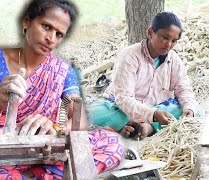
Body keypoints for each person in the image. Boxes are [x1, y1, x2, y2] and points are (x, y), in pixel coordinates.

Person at [0, 0, 123, 179]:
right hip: (5, 146)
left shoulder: (62, 71)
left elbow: (77, 116)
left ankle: (34, 174)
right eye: (46, 27)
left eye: (59, 34)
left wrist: (56, 128)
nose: (51, 38)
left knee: (111, 142)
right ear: (26, 21)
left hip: (43, 147)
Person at [89, 12, 200, 140]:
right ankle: (145, 124)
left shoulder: (174, 60)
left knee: (195, 110)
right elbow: (123, 99)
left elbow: (184, 90)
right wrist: (152, 115)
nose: (169, 45)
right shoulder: (129, 55)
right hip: (121, 108)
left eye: (174, 41)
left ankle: (146, 127)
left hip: (157, 109)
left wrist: (189, 110)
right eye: (165, 37)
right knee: (91, 114)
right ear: (150, 32)